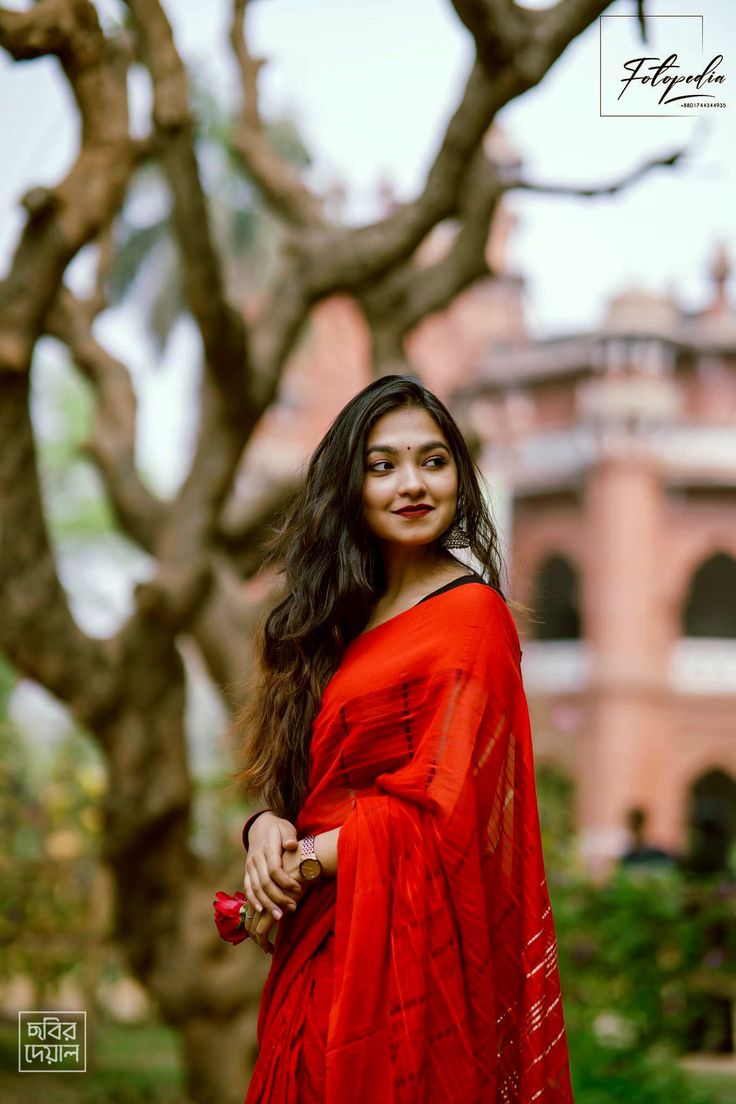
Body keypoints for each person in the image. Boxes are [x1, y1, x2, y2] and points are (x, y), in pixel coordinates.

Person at [232, 375, 574, 1102]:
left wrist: (309, 859)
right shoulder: (333, 621)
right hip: (318, 945)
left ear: (460, 477)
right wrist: (265, 830)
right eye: (383, 465)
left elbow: (442, 809)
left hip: (404, 965)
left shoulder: (472, 617)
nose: (412, 484)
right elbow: (309, 787)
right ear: (349, 486)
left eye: (434, 460)